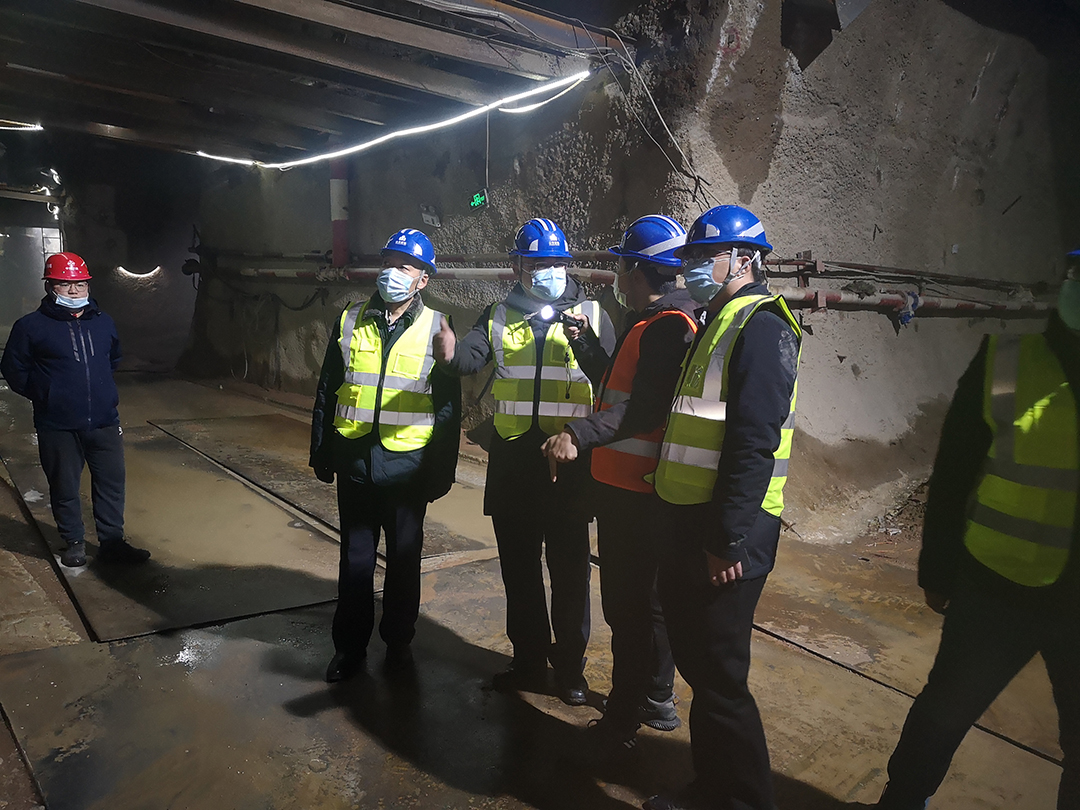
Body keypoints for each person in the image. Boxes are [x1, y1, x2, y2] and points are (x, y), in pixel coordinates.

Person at [876, 250, 1080, 810]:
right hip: (997, 588)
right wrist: (938, 571)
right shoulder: (1006, 361)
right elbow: (952, 475)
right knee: (944, 712)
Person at [645, 206, 802, 810]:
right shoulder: (718, 320)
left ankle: (744, 799)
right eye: (688, 257)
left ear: (744, 259)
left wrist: (727, 539)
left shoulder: (762, 326)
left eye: (701, 257)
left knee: (721, 678)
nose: (691, 267)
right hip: (693, 520)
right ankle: (712, 789)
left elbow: (754, 441)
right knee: (703, 670)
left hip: (730, 532)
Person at [433, 217, 614, 705]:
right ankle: (529, 660)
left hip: (569, 464)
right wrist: (449, 355)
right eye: (536, 263)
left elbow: (611, 380)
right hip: (513, 461)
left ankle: (571, 670)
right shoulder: (496, 315)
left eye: (555, 262)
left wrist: (586, 344)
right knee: (519, 570)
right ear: (517, 267)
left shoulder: (594, 316)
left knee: (570, 572)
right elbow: (470, 358)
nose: (547, 271)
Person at [541, 215, 698, 752]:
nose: (616, 277)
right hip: (627, 488)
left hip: (636, 493)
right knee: (646, 606)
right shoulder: (649, 323)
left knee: (630, 610)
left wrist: (578, 433)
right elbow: (622, 386)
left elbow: (643, 408)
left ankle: (624, 717)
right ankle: (655, 698)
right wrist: (587, 348)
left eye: (621, 266)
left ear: (638, 270)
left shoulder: (668, 326)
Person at [310, 228, 460, 683]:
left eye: (404, 267)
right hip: (356, 461)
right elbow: (329, 387)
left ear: (423, 279)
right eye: (388, 263)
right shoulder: (351, 318)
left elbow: (447, 407)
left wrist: (441, 471)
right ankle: (349, 648)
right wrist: (321, 451)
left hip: (407, 467)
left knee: (404, 561)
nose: (392, 273)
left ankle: (398, 643)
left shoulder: (438, 326)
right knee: (355, 561)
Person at [1, 252, 150, 568]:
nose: (73, 290)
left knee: (111, 484)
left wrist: (98, 392)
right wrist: (47, 394)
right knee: (64, 486)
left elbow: (113, 358)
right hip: (58, 425)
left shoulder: (103, 322)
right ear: (50, 286)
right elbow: (14, 369)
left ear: (87, 286)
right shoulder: (30, 327)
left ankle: (112, 543)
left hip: (104, 421)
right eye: (64, 284)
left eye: (80, 284)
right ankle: (74, 542)